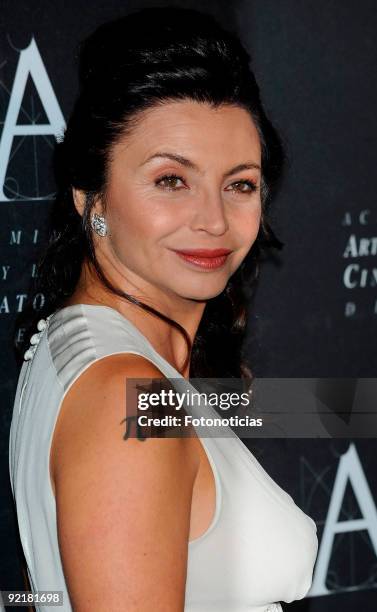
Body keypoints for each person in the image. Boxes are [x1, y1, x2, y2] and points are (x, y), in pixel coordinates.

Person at [9, 7, 318, 611]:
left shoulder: (88, 348)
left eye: (240, 184)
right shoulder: (128, 394)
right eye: (172, 180)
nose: (214, 220)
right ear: (89, 195)